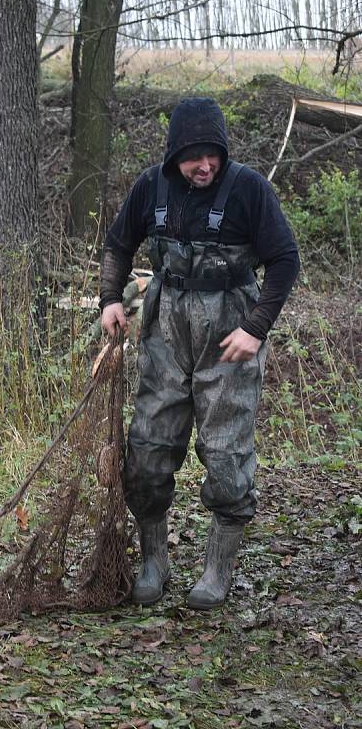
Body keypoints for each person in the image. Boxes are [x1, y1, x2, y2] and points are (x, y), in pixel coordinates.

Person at [99, 97, 299, 610]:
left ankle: (217, 571)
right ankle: (153, 563)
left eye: (212, 154)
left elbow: (284, 261)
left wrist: (256, 328)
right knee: (146, 452)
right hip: (165, 332)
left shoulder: (249, 188)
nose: (204, 165)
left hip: (229, 338)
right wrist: (109, 301)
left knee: (228, 461)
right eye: (193, 156)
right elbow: (119, 245)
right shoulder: (152, 187)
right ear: (174, 157)